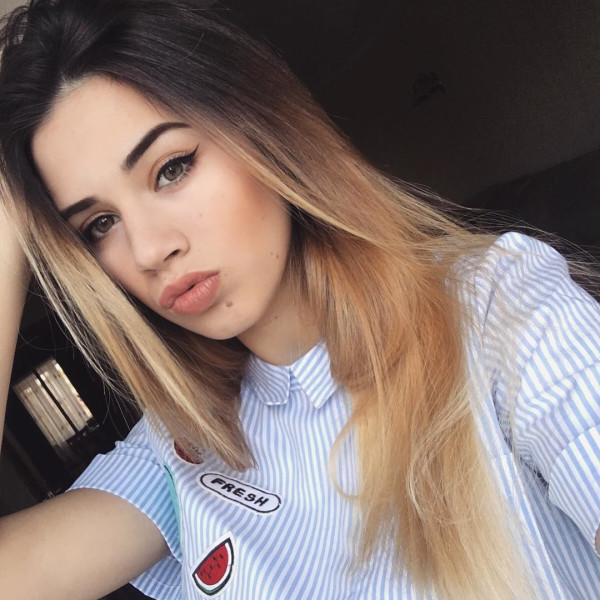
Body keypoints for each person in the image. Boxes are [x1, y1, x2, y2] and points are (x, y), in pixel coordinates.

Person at [0, 1, 599, 599]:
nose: (150, 250)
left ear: (262, 128)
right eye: (100, 225)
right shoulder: (182, 441)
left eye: (172, 168)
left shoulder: (497, 307)